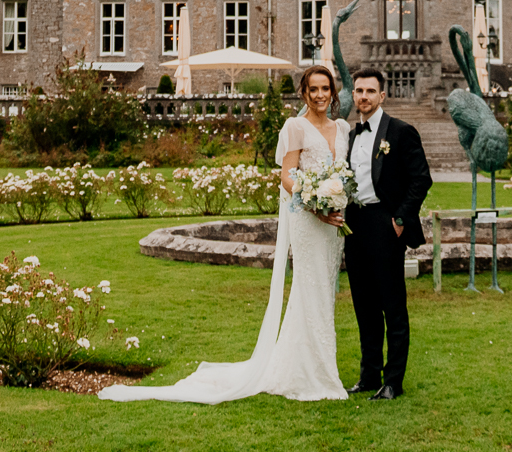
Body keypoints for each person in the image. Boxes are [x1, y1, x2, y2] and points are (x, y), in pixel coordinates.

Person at [97, 65, 349, 404]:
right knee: (309, 289)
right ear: (304, 92)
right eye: (314, 89)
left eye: (325, 89)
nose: (320, 95)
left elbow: (343, 172)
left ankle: (313, 366)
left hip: (334, 224)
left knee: (324, 291)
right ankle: (314, 375)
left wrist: (337, 196)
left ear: (333, 92)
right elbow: (287, 176)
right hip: (309, 218)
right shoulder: (296, 126)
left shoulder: (342, 128)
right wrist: (313, 202)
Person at [341, 66, 432, 399]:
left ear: (382, 95)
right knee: (364, 305)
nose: (363, 97)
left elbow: (421, 179)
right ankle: (368, 375)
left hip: (385, 223)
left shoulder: (401, 131)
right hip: (354, 225)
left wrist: (399, 219)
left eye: (370, 91)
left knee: (392, 305)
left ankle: (393, 381)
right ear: (354, 95)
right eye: (359, 91)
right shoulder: (349, 136)